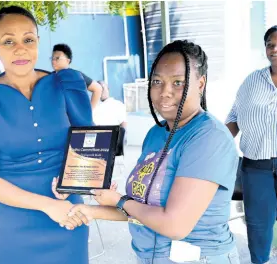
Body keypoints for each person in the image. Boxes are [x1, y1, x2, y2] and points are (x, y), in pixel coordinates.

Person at [63, 40, 240, 264]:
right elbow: (142, 210)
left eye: (178, 82)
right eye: (157, 81)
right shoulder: (156, 134)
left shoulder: (208, 138)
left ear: (201, 84)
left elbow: (174, 225)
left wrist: (120, 200)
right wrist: (90, 211)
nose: (165, 92)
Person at [0, 6, 92, 264]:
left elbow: (90, 150)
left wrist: (74, 184)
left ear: (38, 42)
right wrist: (48, 205)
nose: (20, 49)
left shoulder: (66, 84)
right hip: (12, 228)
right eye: (9, 41)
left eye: (28, 39)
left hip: (69, 217)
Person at [225, 25, 277, 264]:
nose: (274, 49)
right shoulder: (253, 81)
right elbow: (234, 116)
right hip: (257, 167)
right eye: (270, 44)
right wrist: (217, 146)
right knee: (258, 226)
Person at [51, 43, 102, 109]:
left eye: (57, 58)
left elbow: (97, 89)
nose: (53, 61)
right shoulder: (50, 77)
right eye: (52, 58)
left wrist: (90, 112)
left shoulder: (77, 76)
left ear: (68, 60)